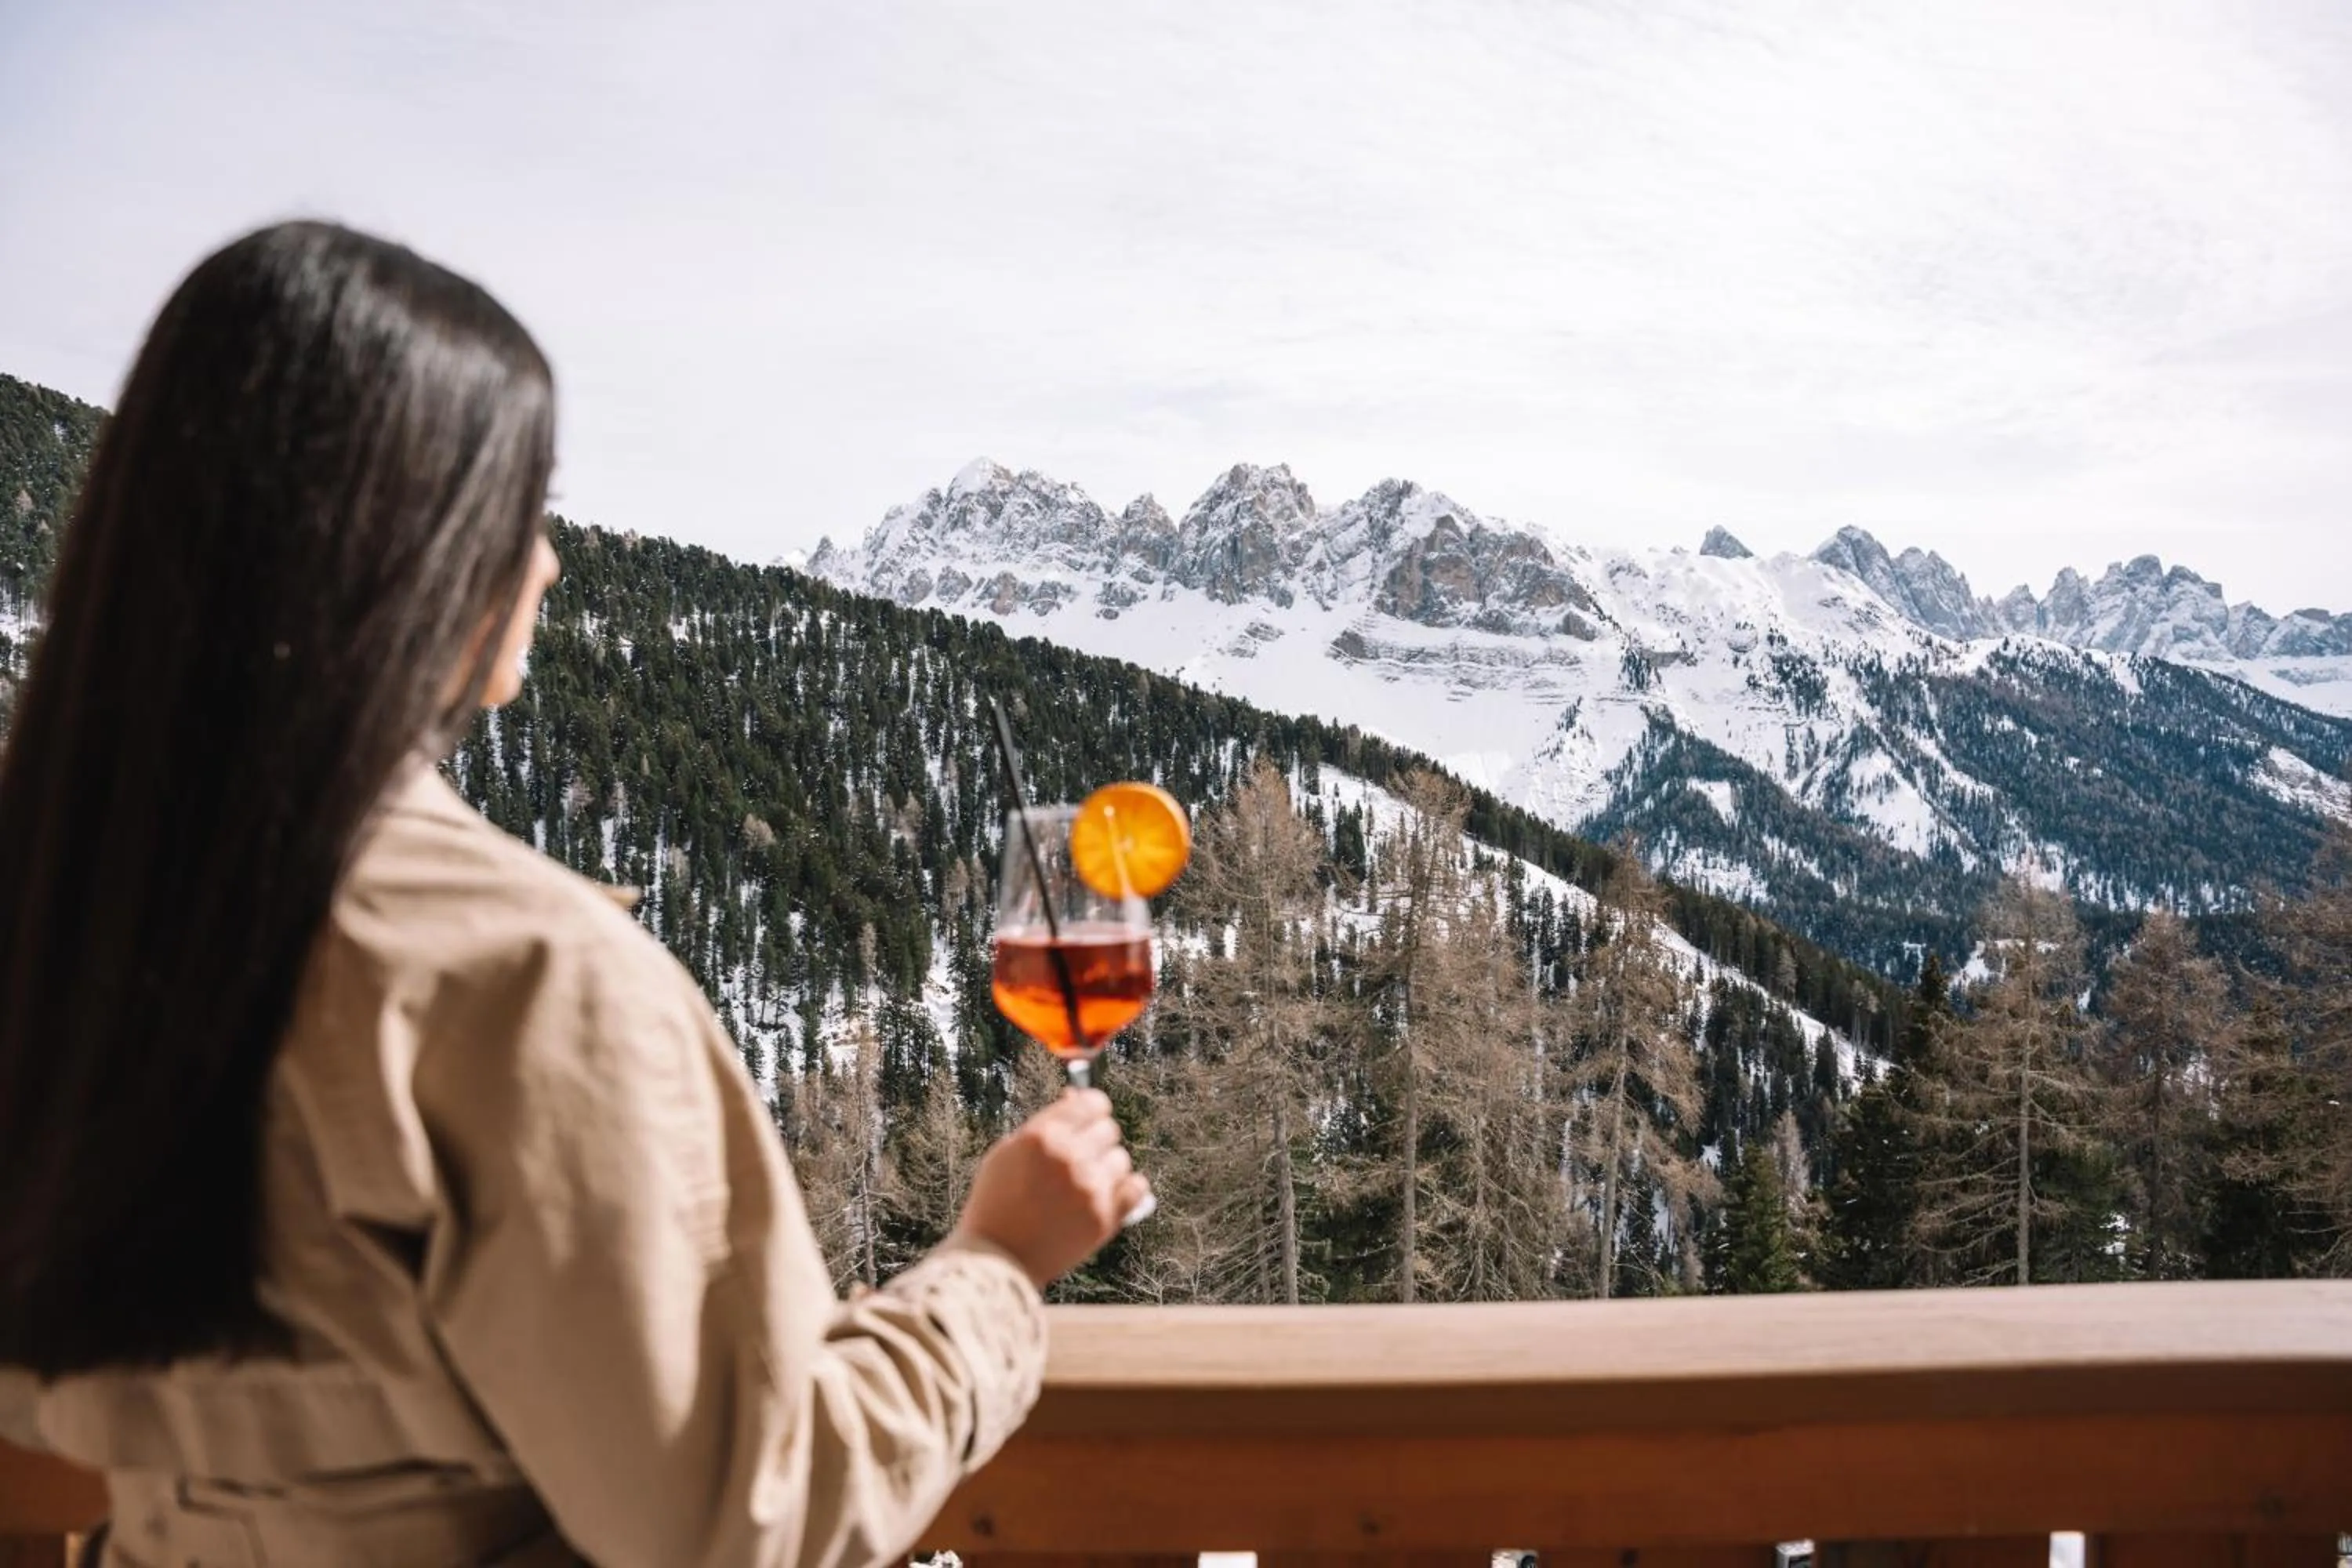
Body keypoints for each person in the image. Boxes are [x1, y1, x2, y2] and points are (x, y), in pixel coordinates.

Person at [0, 220, 1149, 1567]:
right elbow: (747, 1513)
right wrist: (996, 1267)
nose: (547, 562)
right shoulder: (516, 975)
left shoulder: (74, 909)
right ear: (416, 548)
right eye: (523, 510)